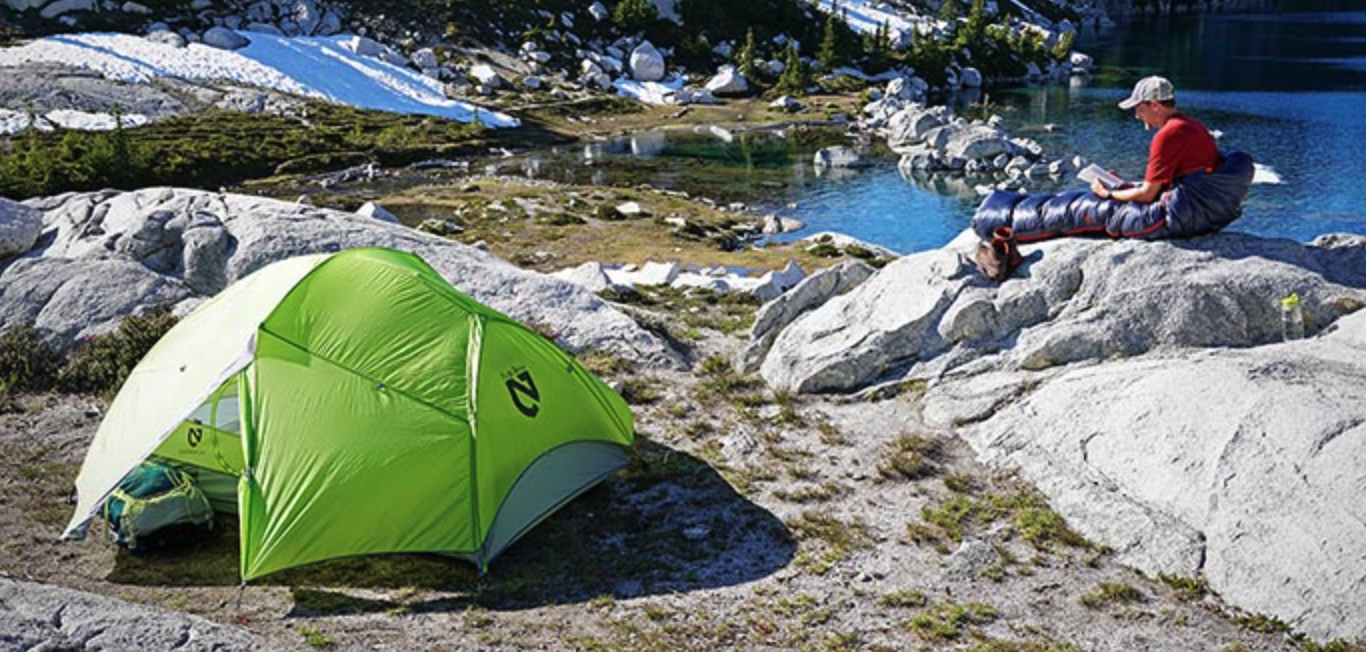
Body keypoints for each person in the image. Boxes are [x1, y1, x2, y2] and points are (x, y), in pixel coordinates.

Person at [1091, 76, 1220, 204]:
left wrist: (1106, 193)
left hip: (1189, 205)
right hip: (1202, 200)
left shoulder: (1168, 135)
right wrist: (1119, 185)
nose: (1137, 116)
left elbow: (1147, 194)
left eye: (1139, 109)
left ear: (1154, 105)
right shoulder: (1194, 126)